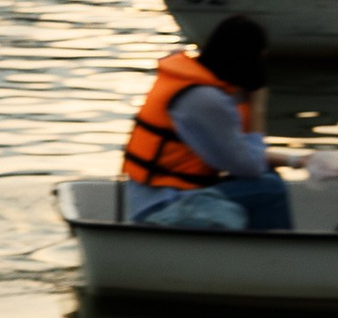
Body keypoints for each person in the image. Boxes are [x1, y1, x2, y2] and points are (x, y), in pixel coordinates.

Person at [120, 16, 293, 230]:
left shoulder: (197, 86)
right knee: (270, 188)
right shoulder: (205, 99)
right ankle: (277, 258)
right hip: (163, 208)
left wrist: (299, 160)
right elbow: (251, 167)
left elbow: (242, 158)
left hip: (162, 196)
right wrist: (258, 106)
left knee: (269, 177)